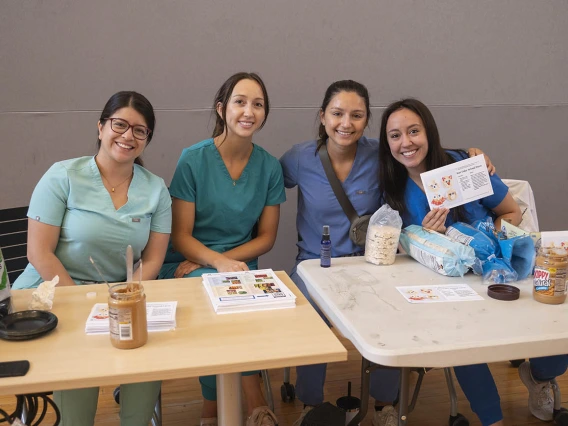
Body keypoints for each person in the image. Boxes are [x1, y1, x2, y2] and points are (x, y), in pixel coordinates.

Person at [280, 80, 492, 426]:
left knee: (389, 314)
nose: (345, 123)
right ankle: (311, 403)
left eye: (356, 115)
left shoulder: (378, 154)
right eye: (337, 113)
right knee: (308, 317)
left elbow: (424, 158)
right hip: (314, 265)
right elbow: (263, 179)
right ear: (322, 117)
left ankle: (385, 403)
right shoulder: (299, 158)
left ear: (366, 121)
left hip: (375, 263)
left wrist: (472, 156)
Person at [378, 97, 568, 426]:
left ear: (429, 132)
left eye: (413, 131)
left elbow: (511, 211)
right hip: (450, 285)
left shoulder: (462, 167)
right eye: (395, 135)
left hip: (504, 267)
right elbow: (400, 249)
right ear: (386, 143)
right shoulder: (390, 187)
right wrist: (427, 238)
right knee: (463, 340)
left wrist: (490, 239)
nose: (406, 142)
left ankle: (540, 377)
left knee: (557, 323)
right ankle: (492, 418)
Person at [13, 91, 172, 426]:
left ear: (146, 139)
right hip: (54, 292)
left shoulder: (156, 189)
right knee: (77, 364)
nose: (128, 135)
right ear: (100, 127)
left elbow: (154, 260)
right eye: (119, 124)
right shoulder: (63, 176)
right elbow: (38, 252)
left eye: (139, 130)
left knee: (148, 356)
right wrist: (82, 302)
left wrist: (124, 300)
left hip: (120, 296)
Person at [159, 72, 285, 426]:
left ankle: (213, 410)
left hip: (240, 266)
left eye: (258, 104)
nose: (249, 111)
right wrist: (215, 262)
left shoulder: (269, 167)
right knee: (220, 302)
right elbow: (181, 235)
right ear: (221, 108)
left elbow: (266, 238)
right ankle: (252, 404)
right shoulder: (193, 159)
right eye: (240, 102)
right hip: (187, 263)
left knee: (234, 304)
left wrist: (226, 263)